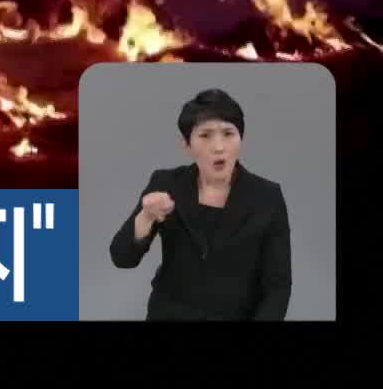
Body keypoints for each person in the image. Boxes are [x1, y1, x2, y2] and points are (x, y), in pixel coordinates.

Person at [109, 87, 292, 320]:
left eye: (228, 133)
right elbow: (122, 258)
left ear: (241, 138)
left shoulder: (268, 196)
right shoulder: (166, 183)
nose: (219, 146)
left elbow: (278, 286)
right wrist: (145, 217)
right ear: (187, 145)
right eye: (205, 135)